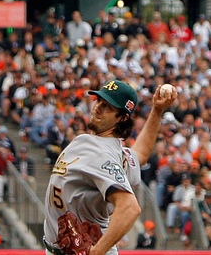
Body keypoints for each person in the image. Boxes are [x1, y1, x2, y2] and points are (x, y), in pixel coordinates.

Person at [43, 79, 176, 255]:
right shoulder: (114, 152)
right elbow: (141, 154)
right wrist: (157, 111)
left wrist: (96, 252)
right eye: (98, 100)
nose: (97, 107)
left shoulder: (101, 153)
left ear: (122, 117)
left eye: (107, 106)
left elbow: (129, 208)